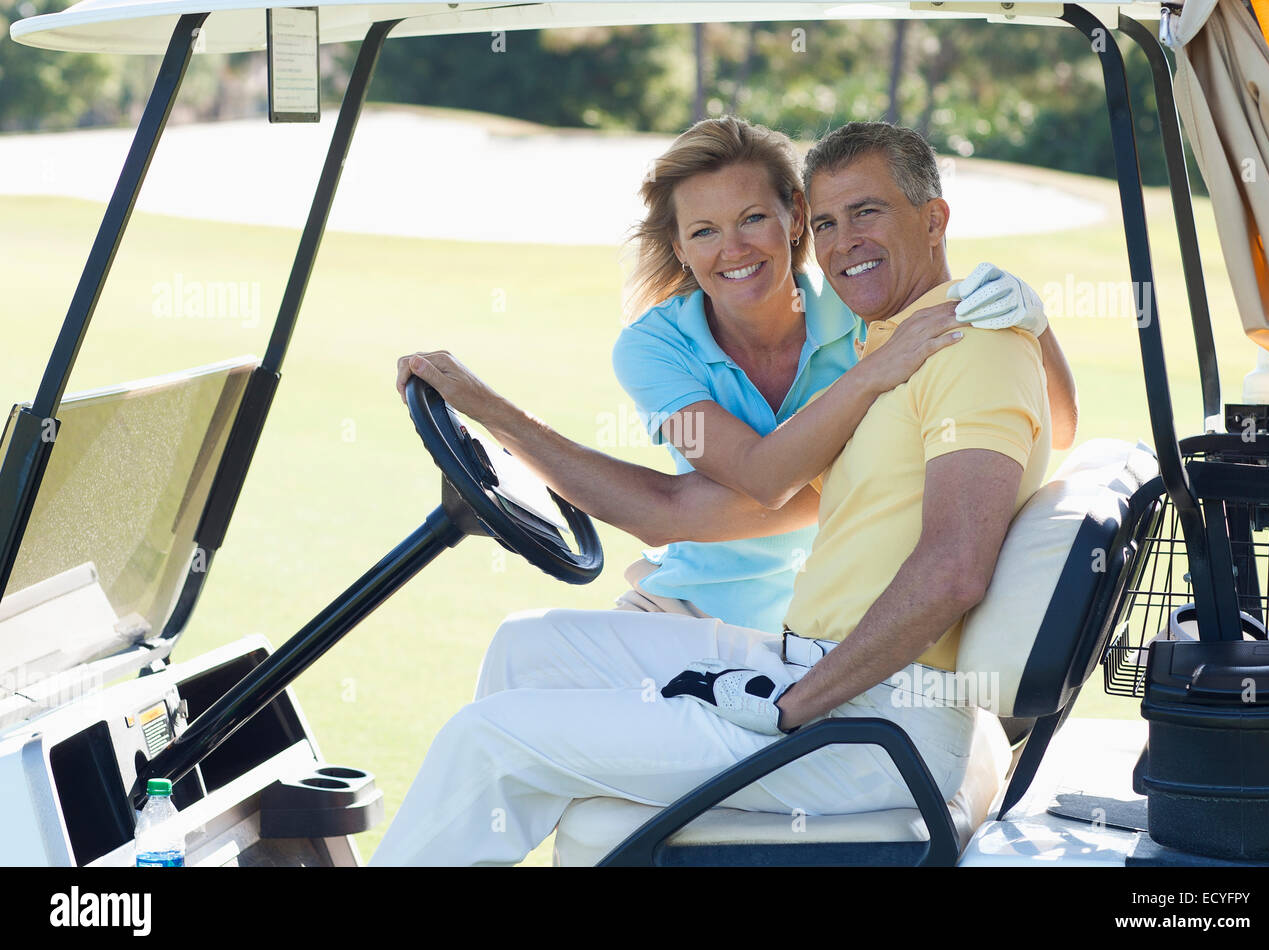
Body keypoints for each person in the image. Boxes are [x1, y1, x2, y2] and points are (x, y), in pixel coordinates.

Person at [369, 121, 1052, 866]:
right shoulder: (883, 342)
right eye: (831, 221)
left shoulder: (941, 341)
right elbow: (688, 507)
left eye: (868, 212)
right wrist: (486, 408)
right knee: (523, 649)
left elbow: (954, 563)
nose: (843, 239)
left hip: (867, 709)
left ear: (934, 218)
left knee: (488, 740)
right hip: (810, 663)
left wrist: (794, 703)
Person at [403, 117, 1077, 633]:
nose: (734, 250)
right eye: (704, 232)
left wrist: (1036, 325)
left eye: (754, 218)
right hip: (683, 610)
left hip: (823, 632)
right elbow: (741, 488)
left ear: (793, 220)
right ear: (680, 248)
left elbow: (1058, 427)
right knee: (526, 669)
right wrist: (484, 406)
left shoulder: (866, 311)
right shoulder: (657, 347)